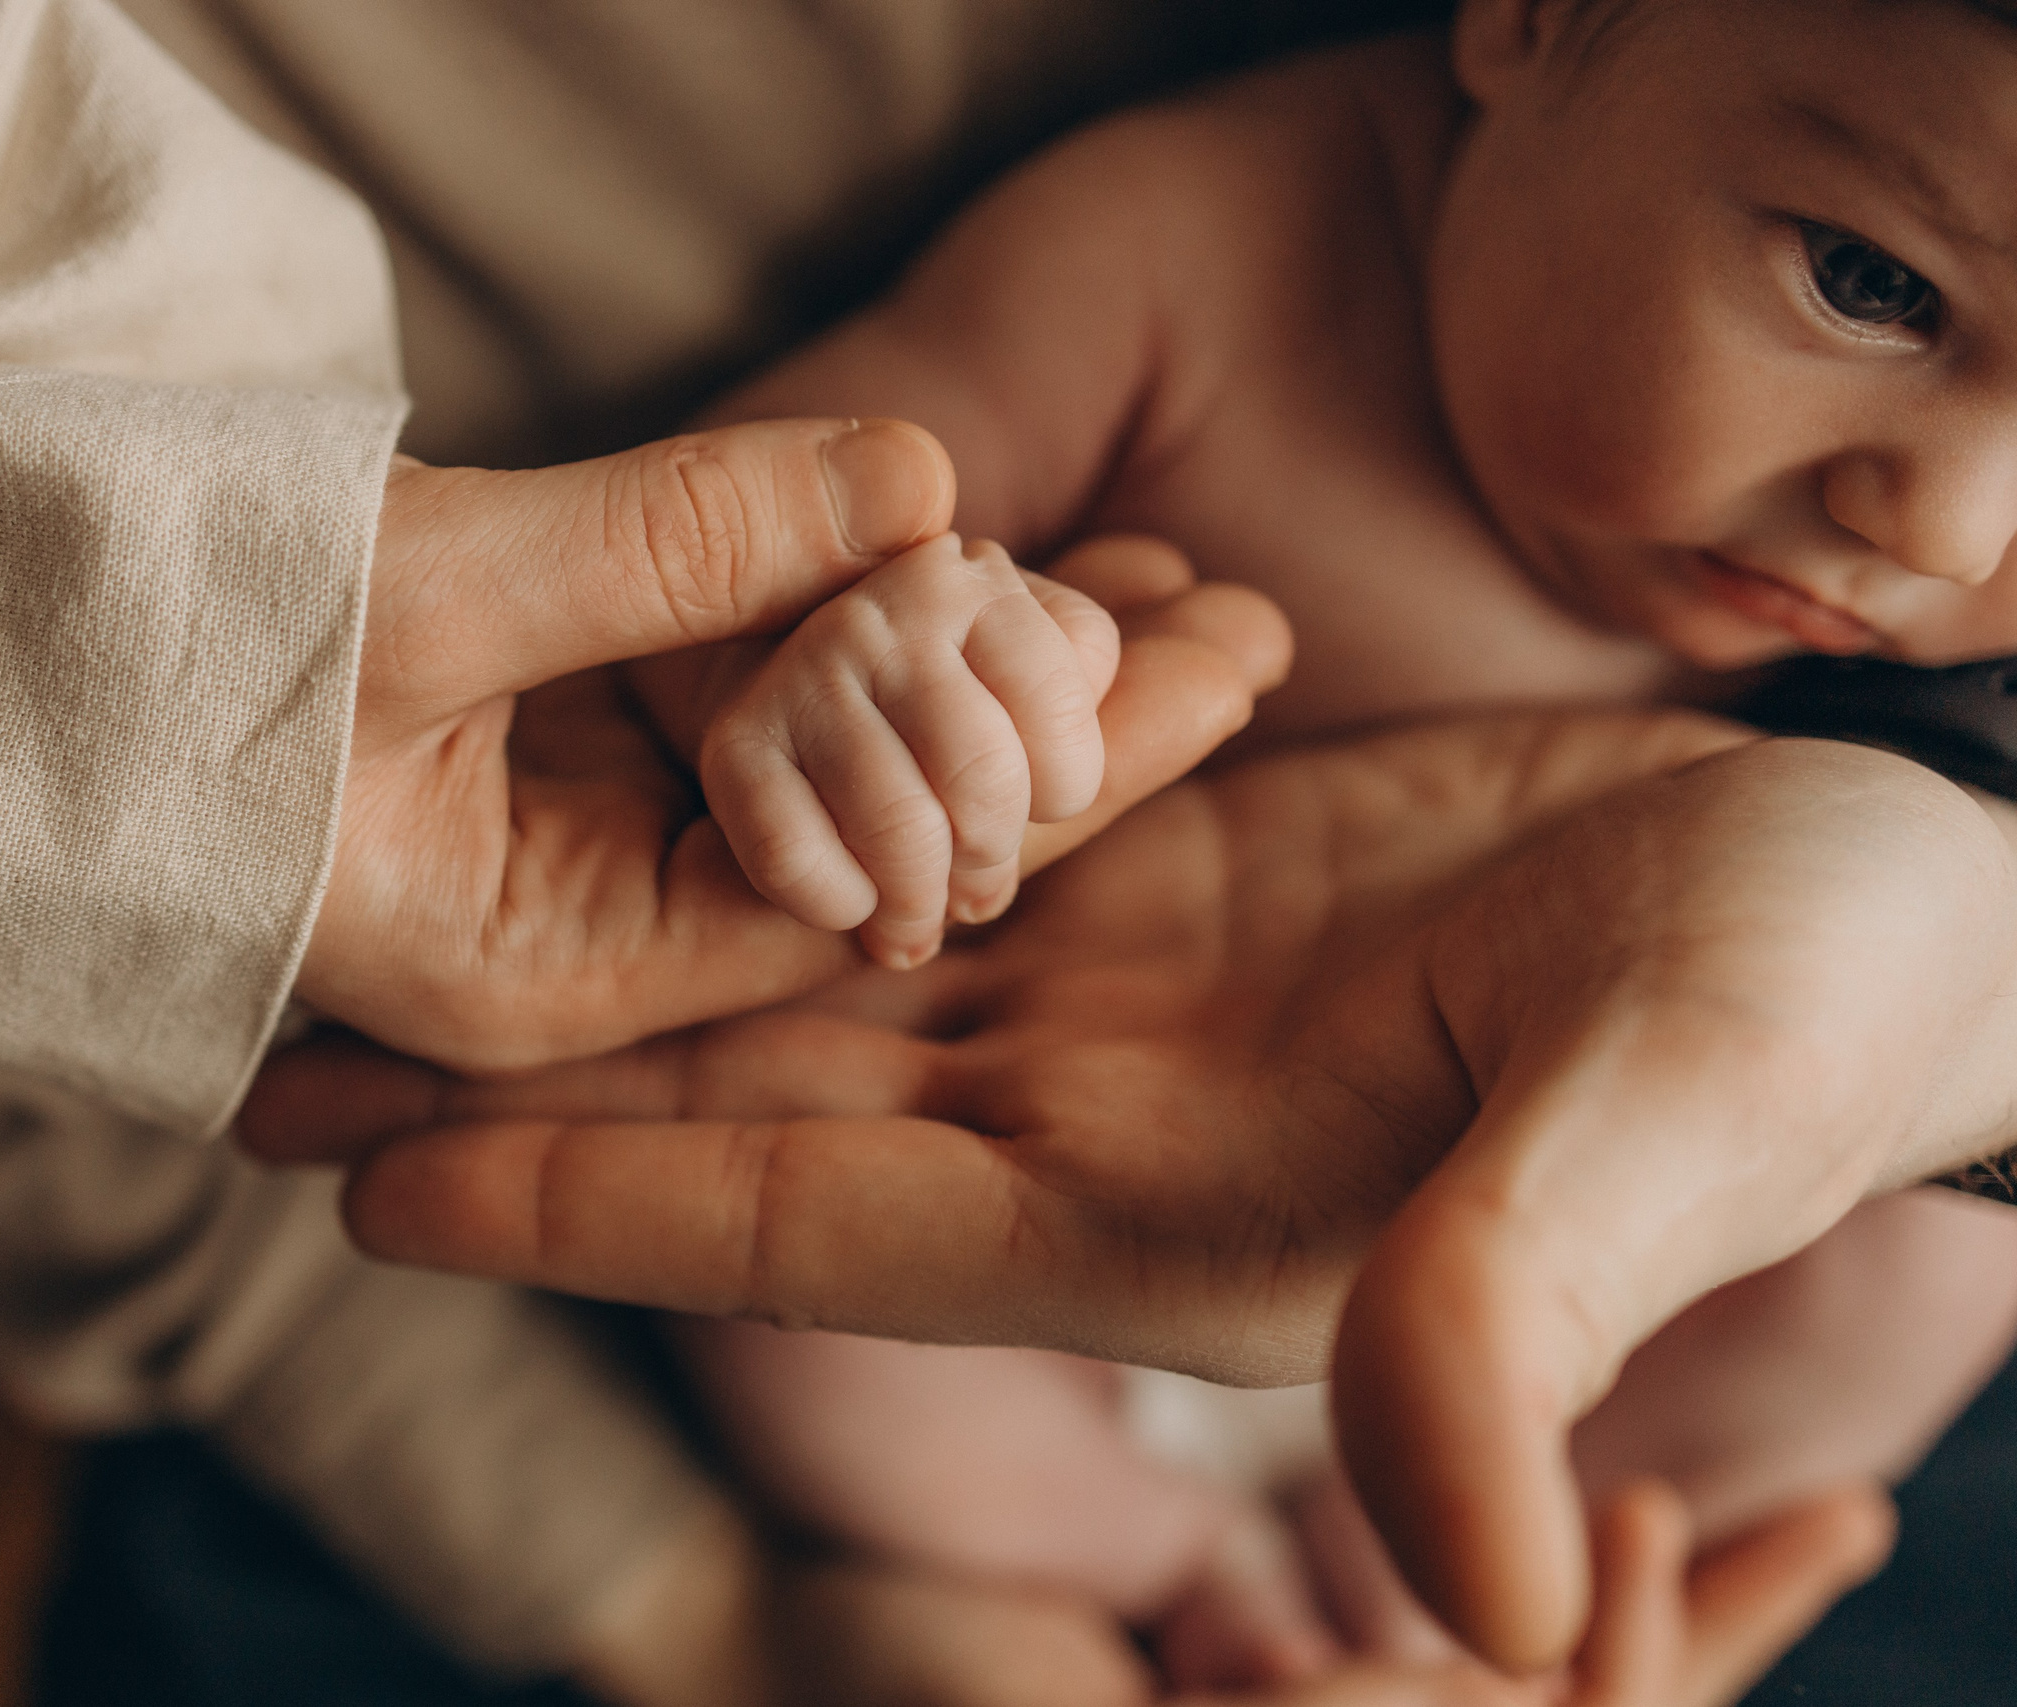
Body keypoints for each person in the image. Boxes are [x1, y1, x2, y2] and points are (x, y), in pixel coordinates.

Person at [513, 0, 2017, 1679]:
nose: (1948, 527)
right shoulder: (1190, 251)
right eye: (1875, 287)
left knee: (1941, 1236)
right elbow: (757, 523)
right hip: (1001, 1167)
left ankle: (1480, 1593)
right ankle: (1143, 1573)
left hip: (1563, 1221)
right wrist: (848, 662)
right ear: (1536, 17)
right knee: (793, 1274)